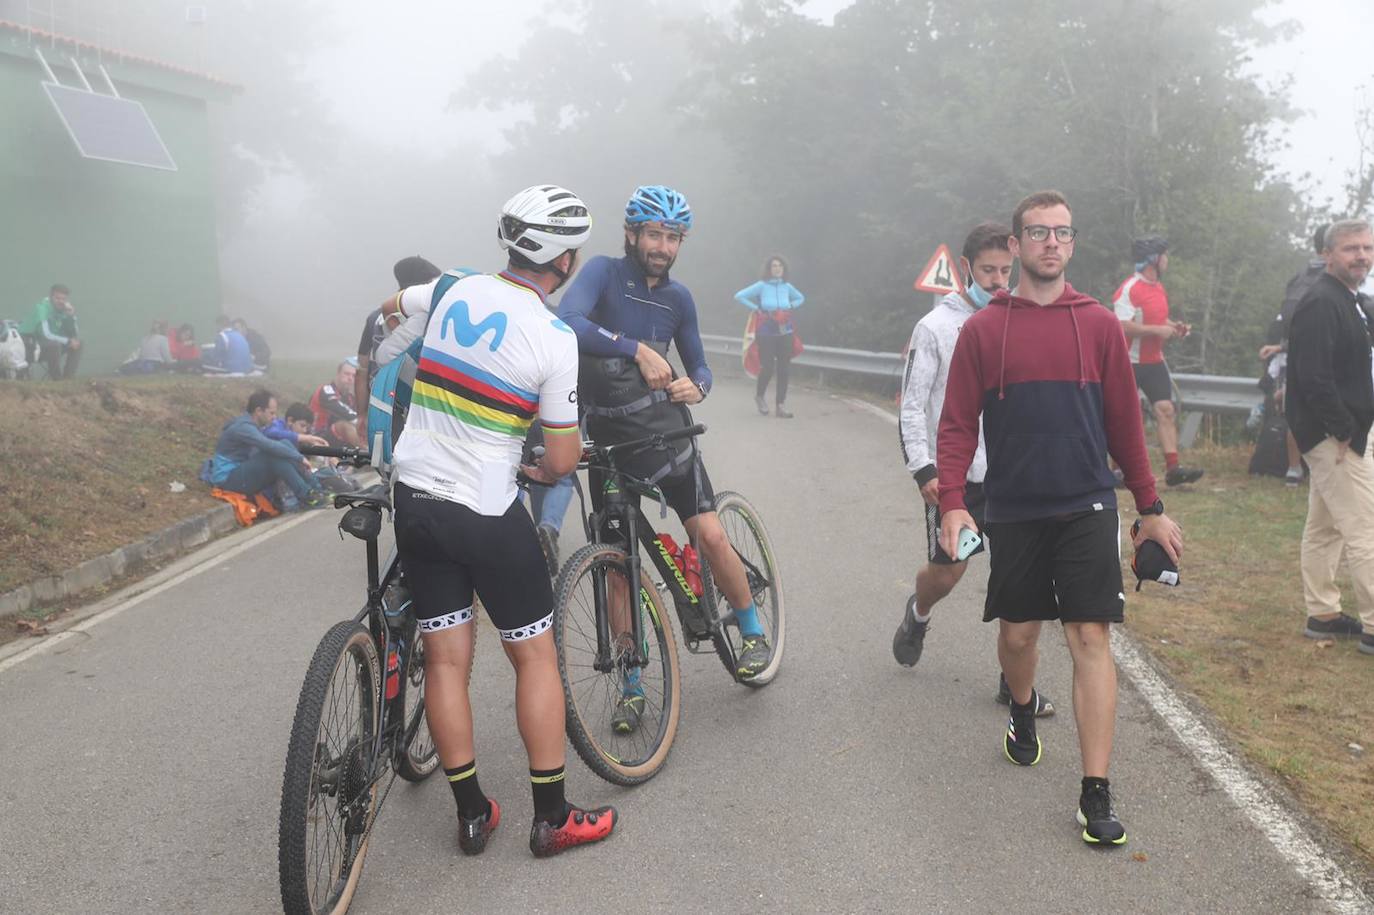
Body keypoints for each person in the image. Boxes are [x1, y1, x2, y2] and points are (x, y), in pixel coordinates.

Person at [937, 191, 1183, 847]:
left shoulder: (1099, 323)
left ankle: (1094, 791)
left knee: (1089, 639)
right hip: (1015, 507)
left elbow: (1126, 426)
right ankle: (1021, 711)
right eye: (1038, 232)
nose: (1051, 242)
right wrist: (953, 501)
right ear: (1015, 246)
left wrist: (1149, 508)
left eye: (1063, 232)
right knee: (1019, 637)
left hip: (1087, 503)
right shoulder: (983, 330)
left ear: (1072, 244)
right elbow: (958, 423)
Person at [380, 185, 617, 857]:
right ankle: (553, 817)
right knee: (533, 654)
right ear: (564, 262)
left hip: (416, 498)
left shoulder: (451, 284)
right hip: (484, 509)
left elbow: (389, 309)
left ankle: (473, 813)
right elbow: (564, 455)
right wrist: (539, 468)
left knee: (446, 658)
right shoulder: (553, 335)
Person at [559, 183, 775, 716]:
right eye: (654, 234)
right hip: (609, 445)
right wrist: (635, 350)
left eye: (672, 237)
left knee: (707, 532)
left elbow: (700, 367)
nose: (662, 246)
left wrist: (695, 387)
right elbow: (567, 321)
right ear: (631, 234)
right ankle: (631, 684)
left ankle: (751, 630)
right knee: (615, 567)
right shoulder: (603, 274)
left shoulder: (678, 299)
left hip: (667, 435)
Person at [893, 222, 1055, 715]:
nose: (999, 280)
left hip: (1016, 479)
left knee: (1018, 586)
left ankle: (1015, 685)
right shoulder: (935, 326)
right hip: (957, 481)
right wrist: (925, 470)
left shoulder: (1021, 319)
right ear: (966, 269)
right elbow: (912, 405)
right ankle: (918, 613)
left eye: (1007, 270)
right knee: (949, 574)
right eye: (988, 271)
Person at [1284, 219, 1374, 653]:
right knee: (1365, 528)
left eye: (1367, 248)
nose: (1361, 255)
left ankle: (1323, 614)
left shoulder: (1352, 300)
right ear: (1327, 255)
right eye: (1350, 248)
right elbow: (1313, 376)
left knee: (1326, 527)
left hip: (1345, 430)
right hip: (1334, 435)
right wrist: (1343, 429)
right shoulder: (1320, 301)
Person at [1112, 236, 1204, 486]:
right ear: (1154, 259)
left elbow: (1156, 318)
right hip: (1129, 363)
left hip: (1154, 362)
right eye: (1164, 255)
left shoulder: (1158, 287)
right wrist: (1156, 331)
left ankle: (1173, 469)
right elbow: (1121, 325)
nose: (1167, 260)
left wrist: (1175, 327)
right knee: (1125, 417)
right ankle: (1119, 471)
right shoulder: (1129, 288)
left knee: (1166, 410)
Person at [1259, 224, 1331, 485]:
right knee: (1331, 413)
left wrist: (1281, 348)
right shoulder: (1336, 279)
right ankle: (1324, 471)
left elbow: (1288, 322)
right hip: (1327, 359)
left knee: (1296, 414)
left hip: (1295, 358)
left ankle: (1293, 470)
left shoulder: (1300, 277)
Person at [355, 256, 443, 445]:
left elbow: (361, 369)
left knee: (385, 459)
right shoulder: (426, 317)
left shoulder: (374, 317)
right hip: (414, 401)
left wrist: (360, 414)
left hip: (380, 399)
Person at [207, 389, 327, 509]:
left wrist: (296, 456)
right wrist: (299, 457)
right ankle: (307, 496)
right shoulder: (243, 428)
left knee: (284, 444)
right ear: (259, 411)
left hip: (241, 471)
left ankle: (316, 489)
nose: (274, 418)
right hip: (227, 480)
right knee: (273, 456)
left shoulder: (251, 425)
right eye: (271, 413)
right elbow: (268, 445)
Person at [735, 255, 805, 417]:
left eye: (780, 265)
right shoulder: (762, 285)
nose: (777, 268)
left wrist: (791, 306)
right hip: (766, 330)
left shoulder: (787, 286)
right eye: (774, 266)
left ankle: (780, 406)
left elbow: (801, 298)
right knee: (767, 367)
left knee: (784, 369)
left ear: (783, 269)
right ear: (769, 269)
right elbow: (739, 296)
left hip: (785, 330)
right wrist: (757, 308)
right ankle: (760, 396)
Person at [18, 284, 81, 379]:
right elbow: (46, 334)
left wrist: (71, 316)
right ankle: (57, 380)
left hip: (50, 346)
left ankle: (68, 378)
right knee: (55, 345)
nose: (61, 301)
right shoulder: (42, 309)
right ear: (51, 297)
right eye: (57, 298)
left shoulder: (63, 310)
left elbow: (74, 334)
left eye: (63, 299)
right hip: (31, 347)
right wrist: (67, 341)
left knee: (78, 344)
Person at [309, 359, 361, 447]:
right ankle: (368, 453)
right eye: (347, 374)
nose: (350, 378)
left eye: (353, 376)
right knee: (345, 425)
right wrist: (362, 424)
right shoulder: (326, 390)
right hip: (317, 434)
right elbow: (342, 410)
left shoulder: (350, 397)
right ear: (338, 374)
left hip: (335, 437)